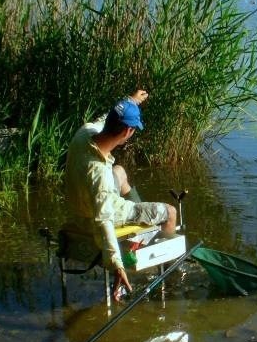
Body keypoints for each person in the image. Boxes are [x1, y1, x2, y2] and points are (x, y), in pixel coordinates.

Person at [64, 89, 177, 301]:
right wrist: (117, 265)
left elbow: (104, 118)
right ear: (127, 132)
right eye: (133, 130)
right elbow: (104, 221)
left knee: (120, 172)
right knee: (170, 212)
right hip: (96, 216)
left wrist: (131, 101)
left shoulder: (85, 133)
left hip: (79, 207)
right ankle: (166, 272)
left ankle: (146, 229)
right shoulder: (100, 177)